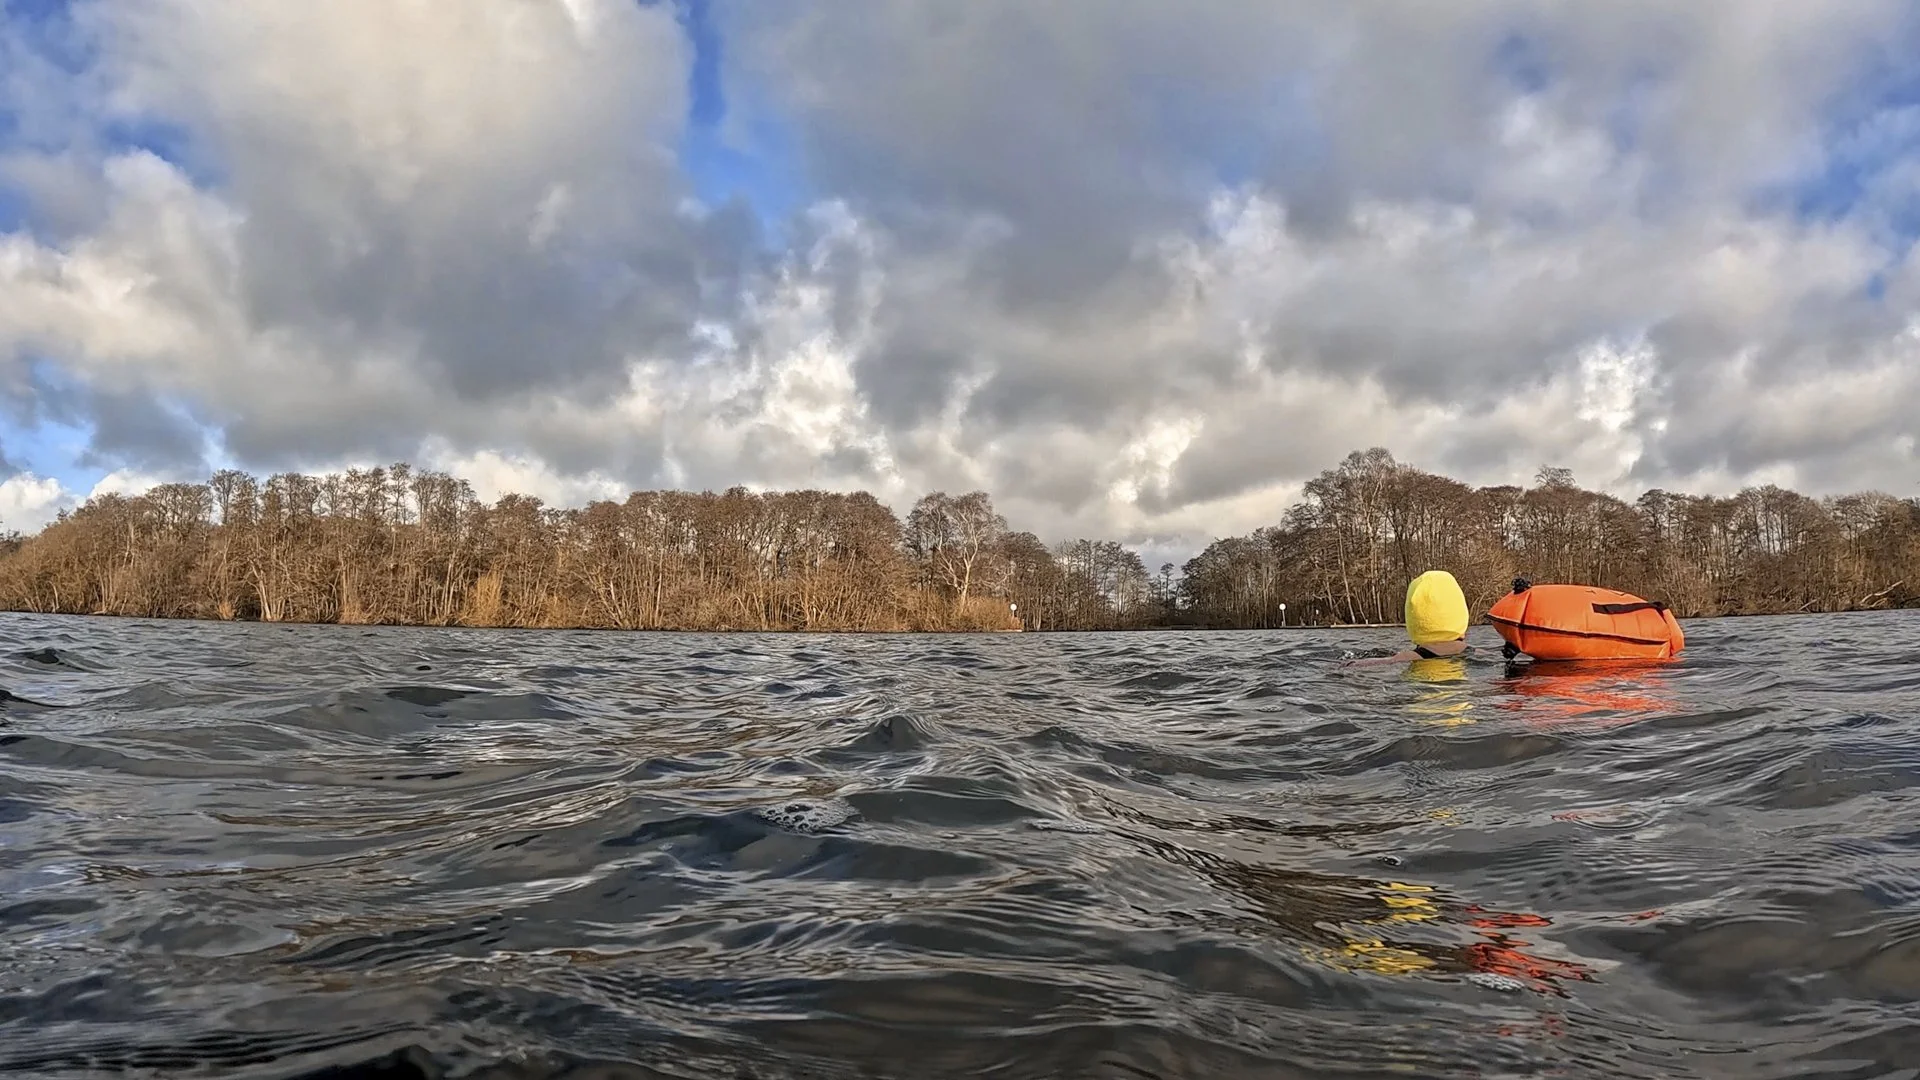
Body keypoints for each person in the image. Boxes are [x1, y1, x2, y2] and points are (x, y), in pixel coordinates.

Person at [1342, 569, 1472, 667]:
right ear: (1461, 618)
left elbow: (1367, 664)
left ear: (1414, 621)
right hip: (1460, 701)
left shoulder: (1405, 657)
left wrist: (1350, 664)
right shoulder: (1480, 654)